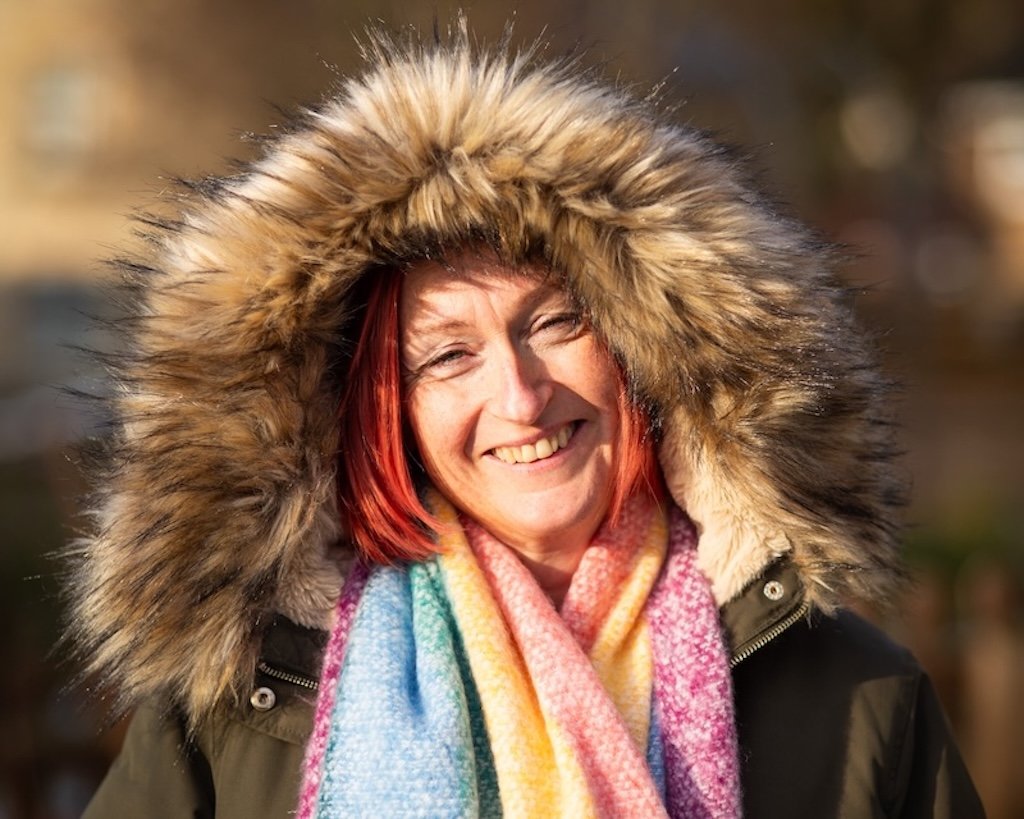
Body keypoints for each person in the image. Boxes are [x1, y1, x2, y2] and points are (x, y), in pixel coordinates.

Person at [69, 19, 984, 819]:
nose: (520, 394)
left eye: (555, 323)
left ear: (644, 351)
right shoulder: (241, 707)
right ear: (379, 416)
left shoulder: (858, 697)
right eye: (447, 356)